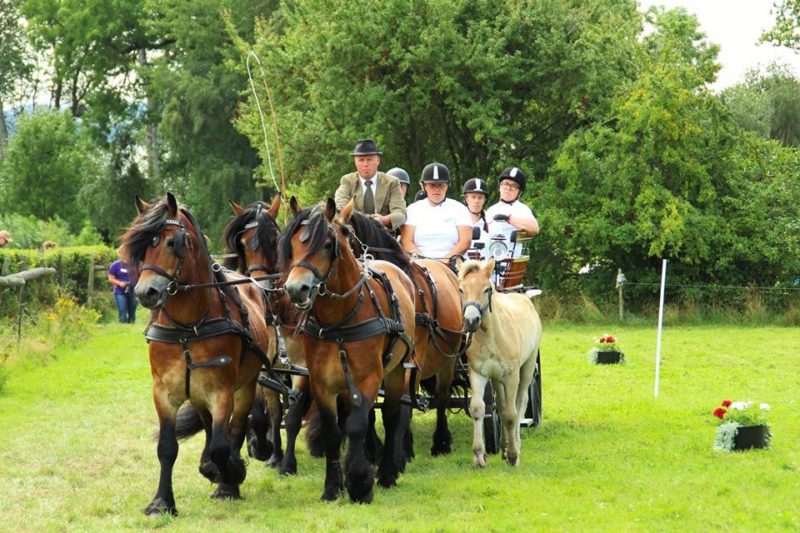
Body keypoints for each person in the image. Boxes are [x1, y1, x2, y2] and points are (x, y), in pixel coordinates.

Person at [401, 162, 472, 261]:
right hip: (419, 263)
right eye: (432, 185)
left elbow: (465, 241)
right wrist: (421, 260)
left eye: (441, 185)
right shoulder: (412, 210)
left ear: (447, 185)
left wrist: (446, 259)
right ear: (423, 186)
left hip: (453, 262)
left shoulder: (460, 209)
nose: (436, 189)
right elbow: (406, 241)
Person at [334, 139, 407, 231]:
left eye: (369, 159)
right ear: (355, 162)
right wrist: (360, 220)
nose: (365, 164)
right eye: (361, 160)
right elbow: (340, 204)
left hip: (383, 235)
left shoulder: (392, 183)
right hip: (355, 235)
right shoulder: (347, 181)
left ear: (377, 161)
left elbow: (401, 213)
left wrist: (384, 220)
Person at [486, 166, 539, 256]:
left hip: (510, 260)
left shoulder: (521, 209)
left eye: (514, 186)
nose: (508, 188)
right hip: (488, 257)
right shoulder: (491, 209)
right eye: (506, 183)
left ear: (520, 192)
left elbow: (534, 228)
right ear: (500, 186)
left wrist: (508, 219)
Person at [462, 178, 491, 258]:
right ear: (466, 198)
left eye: (480, 197)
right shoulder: (457, 221)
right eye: (473, 197)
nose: (476, 201)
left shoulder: (492, 222)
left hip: (485, 267)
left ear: (484, 200)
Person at [108, 250, 138, 323]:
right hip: (119, 292)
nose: (125, 255)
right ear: (120, 254)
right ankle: (122, 324)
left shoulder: (135, 265)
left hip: (133, 291)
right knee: (122, 309)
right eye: (123, 253)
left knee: (132, 310)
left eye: (127, 253)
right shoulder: (115, 265)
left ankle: (131, 323)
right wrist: (119, 283)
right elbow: (110, 279)